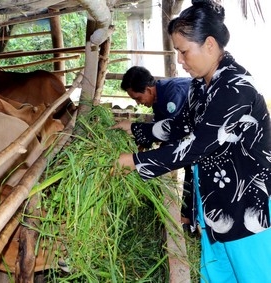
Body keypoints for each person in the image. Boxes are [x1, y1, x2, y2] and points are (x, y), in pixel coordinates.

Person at [112, 1, 271, 282]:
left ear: (209, 45)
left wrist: (136, 162)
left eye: (184, 52)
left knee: (253, 275)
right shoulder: (201, 85)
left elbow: (197, 144)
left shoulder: (236, 88)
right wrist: (137, 129)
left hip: (246, 209)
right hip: (215, 207)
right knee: (218, 275)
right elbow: (180, 126)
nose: (180, 61)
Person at [112, 66, 196, 234]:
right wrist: (142, 145)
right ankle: (189, 222)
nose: (138, 103)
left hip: (200, 141)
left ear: (149, 90)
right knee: (191, 173)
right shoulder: (158, 99)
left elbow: (174, 133)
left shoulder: (173, 95)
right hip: (191, 141)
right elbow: (159, 130)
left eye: (138, 97)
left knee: (193, 172)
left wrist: (139, 159)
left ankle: (190, 222)